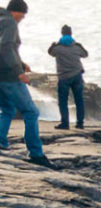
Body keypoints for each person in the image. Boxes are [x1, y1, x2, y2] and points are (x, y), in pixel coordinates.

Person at [0, 0, 54, 168]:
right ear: (15, 11)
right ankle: (36, 153)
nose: (22, 18)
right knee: (31, 112)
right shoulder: (9, 23)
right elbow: (6, 47)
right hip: (10, 77)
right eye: (22, 14)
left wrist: (21, 64)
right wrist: (19, 72)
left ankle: (1, 142)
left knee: (8, 109)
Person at [48, 23, 85, 129]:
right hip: (77, 76)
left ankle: (65, 123)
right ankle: (80, 123)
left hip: (64, 77)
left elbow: (50, 52)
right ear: (71, 33)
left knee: (63, 101)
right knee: (79, 100)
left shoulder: (58, 48)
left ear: (62, 33)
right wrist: (80, 46)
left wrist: (52, 45)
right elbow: (85, 54)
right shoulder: (76, 47)